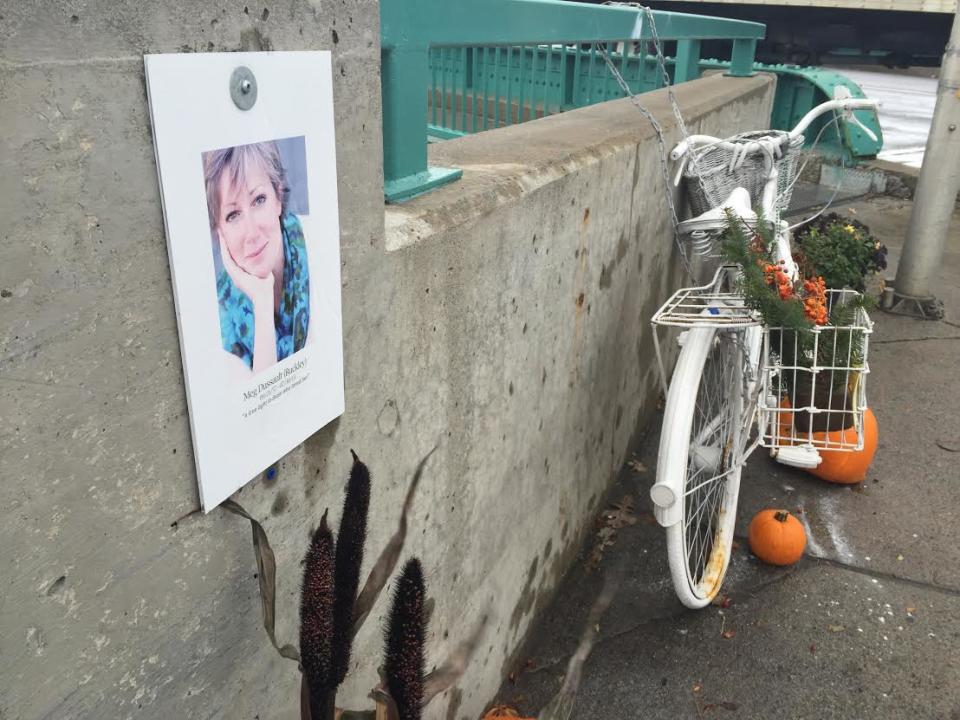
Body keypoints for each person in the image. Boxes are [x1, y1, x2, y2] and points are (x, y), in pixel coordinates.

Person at [203, 141, 310, 374]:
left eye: (259, 200)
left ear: (278, 198)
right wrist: (261, 301)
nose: (251, 232)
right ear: (220, 231)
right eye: (232, 215)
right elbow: (262, 406)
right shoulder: (220, 321)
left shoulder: (314, 244)